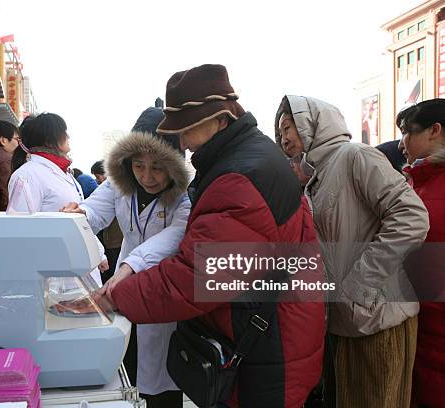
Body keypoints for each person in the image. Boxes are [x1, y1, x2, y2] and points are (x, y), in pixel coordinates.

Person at [101, 64, 325, 407]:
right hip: (268, 325)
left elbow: (196, 277)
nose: (184, 143)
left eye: (187, 131)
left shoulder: (239, 177)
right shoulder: (250, 154)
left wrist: (115, 296)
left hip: (268, 342)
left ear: (220, 117)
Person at [274, 95, 429, 408]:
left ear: (309, 123)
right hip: (344, 323)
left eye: (287, 127)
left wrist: (359, 286)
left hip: (379, 321)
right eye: (279, 133)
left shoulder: (354, 156)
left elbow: (411, 217)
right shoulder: (316, 178)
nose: (283, 139)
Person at [62, 106, 191, 407]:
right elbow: (96, 211)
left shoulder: (185, 198)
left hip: (161, 289)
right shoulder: (118, 184)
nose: (147, 176)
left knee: (163, 379)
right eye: (138, 165)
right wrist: (79, 214)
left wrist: (132, 265)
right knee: (128, 367)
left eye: (158, 167)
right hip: (125, 286)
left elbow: (171, 239)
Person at [7, 113, 106, 284]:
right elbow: (21, 233)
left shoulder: (64, 172)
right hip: (55, 273)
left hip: (78, 266)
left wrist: (98, 252)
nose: (68, 136)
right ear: (49, 140)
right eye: (63, 132)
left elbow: (79, 222)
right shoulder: (27, 175)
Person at [396, 98, 445, 408]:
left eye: (407, 132)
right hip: (419, 322)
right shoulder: (414, 183)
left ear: (435, 130)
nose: (402, 143)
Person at [91, 160, 124, 283]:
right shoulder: (104, 190)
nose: (97, 179)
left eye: (97, 176)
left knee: (113, 272)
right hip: (109, 240)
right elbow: (92, 210)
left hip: (115, 241)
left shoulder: (119, 188)